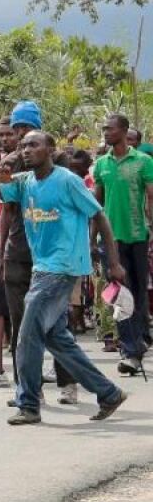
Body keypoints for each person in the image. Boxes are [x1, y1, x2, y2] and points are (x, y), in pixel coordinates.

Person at [0, 130, 129, 425]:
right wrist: (1, 177)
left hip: (62, 267)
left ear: (50, 149)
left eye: (34, 144)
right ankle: (108, 393)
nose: (26, 150)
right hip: (42, 269)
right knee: (55, 338)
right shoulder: (24, 182)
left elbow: (100, 216)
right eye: (23, 146)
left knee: (27, 336)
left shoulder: (67, 180)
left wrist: (114, 261)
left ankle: (29, 403)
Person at [92, 113, 153, 376]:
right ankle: (130, 350)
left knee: (138, 292)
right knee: (119, 294)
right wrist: (92, 239)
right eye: (104, 128)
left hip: (138, 235)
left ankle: (139, 338)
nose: (106, 132)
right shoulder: (101, 165)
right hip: (111, 240)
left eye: (111, 128)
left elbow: (151, 197)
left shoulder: (143, 162)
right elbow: (96, 204)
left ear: (124, 131)